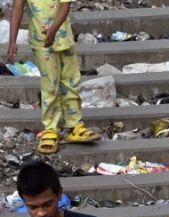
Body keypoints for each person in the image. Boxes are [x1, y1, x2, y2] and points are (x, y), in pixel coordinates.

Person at [6, 0, 101, 155]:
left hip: (64, 39)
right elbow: (18, 7)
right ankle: (50, 128)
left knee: (71, 81)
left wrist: (54, 30)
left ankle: (74, 124)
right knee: (50, 84)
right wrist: (12, 41)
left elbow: (65, 5)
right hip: (41, 42)